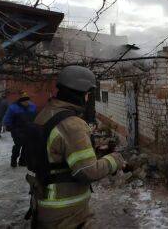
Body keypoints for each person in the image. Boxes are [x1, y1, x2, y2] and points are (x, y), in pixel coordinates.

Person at [31, 65, 125, 228]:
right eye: (88, 94)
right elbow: (88, 171)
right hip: (66, 211)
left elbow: (55, 155)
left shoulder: (46, 113)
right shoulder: (72, 124)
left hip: (45, 202)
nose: (88, 99)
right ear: (80, 93)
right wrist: (115, 159)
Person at [3, 91, 37, 167]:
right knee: (18, 145)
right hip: (17, 129)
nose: (26, 102)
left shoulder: (32, 106)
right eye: (24, 100)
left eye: (27, 100)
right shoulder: (13, 108)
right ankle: (13, 160)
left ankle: (22, 161)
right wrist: (9, 126)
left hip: (28, 129)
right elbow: (7, 118)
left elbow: (35, 117)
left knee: (26, 145)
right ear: (20, 101)